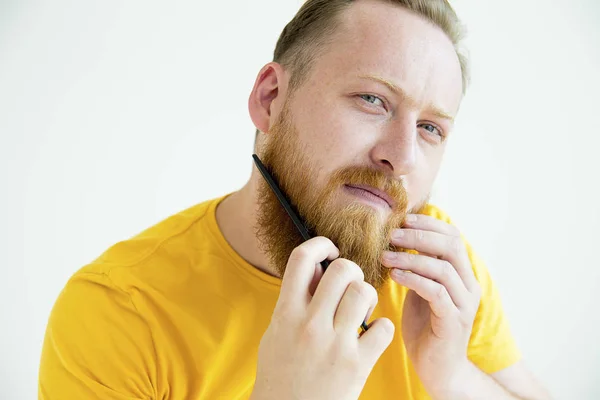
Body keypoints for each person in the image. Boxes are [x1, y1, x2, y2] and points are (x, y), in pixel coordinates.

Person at [39, 0, 552, 398]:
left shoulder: (435, 274)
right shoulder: (119, 312)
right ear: (270, 99)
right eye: (372, 100)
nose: (402, 156)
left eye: (431, 128)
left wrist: (454, 377)